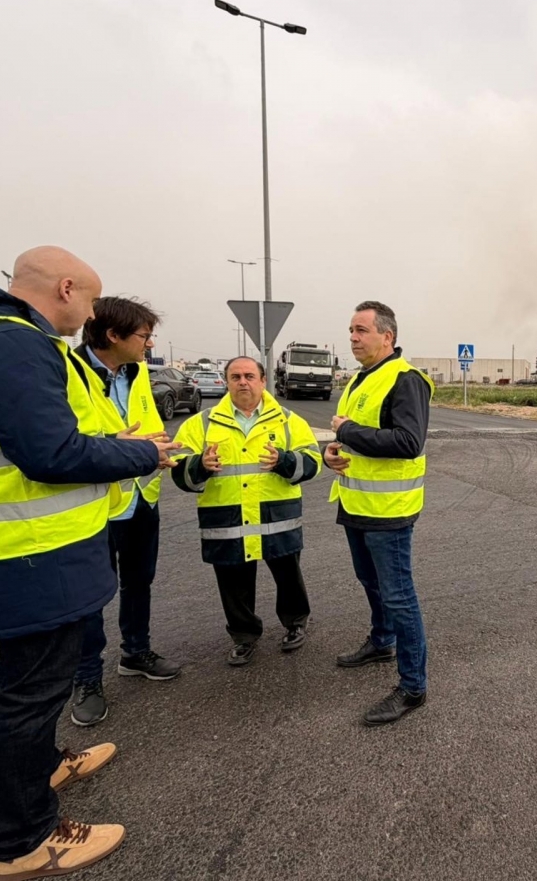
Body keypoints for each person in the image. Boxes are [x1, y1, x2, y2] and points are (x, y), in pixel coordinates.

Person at [0, 247, 181, 880]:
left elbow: (32, 438)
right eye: (91, 300)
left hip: (19, 548)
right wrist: (140, 455)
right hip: (27, 551)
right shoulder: (10, 342)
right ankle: (26, 840)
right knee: (31, 690)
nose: (91, 314)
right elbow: (49, 454)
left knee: (36, 681)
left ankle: (45, 765)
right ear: (67, 289)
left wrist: (111, 443)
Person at [69, 297, 182, 728]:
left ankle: (136, 652)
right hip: (95, 504)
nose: (150, 344)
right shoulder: (69, 371)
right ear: (112, 335)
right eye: (144, 335)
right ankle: (87, 679)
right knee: (90, 596)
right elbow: (63, 442)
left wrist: (159, 451)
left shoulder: (136, 374)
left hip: (140, 497)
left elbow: (145, 427)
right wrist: (119, 446)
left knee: (139, 582)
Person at [171, 356, 321, 666]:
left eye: (249, 376)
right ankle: (243, 636)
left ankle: (295, 624)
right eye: (236, 376)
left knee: (288, 576)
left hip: (277, 518)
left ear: (263, 381)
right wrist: (200, 465)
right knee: (233, 582)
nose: (243, 382)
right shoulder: (200, 424)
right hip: (227, 520)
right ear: (226, 382)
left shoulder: (288, 420)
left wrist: (284, 461)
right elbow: (178, 471)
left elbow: (313, 462)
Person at [326, 301, 434, 726]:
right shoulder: (360, 379)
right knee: (369, 580)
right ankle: (382, 640)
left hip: (389, 510)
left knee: (398, 596)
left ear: (387, 337)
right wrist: (335, 451)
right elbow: (357, 438)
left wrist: (346, 430)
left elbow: (408, 442)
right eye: (351, 330)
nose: (353, 337)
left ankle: (413, 686)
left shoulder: (406, 380)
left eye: (361, 330)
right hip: (356, 503)